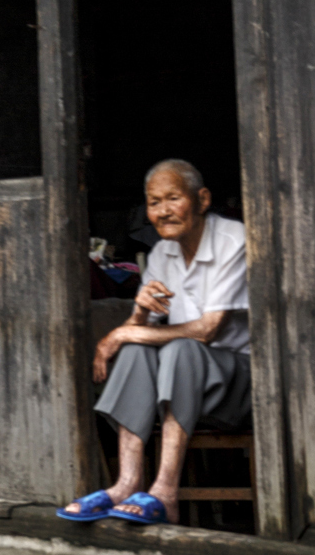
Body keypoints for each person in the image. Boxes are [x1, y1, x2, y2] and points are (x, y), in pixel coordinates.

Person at [59, 159, 250, 527]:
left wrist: (118, 334)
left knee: (179, 348)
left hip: (239, 383)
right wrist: (138, 319)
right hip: (185, 384)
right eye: (154, 202)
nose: (162, 211)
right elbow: (142, 328)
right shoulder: (163, 252)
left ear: (202, 199)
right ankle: (126, 484)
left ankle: (165, 491)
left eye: (173, 198)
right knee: (136, 349)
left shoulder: (232, 240)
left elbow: (209, 329)